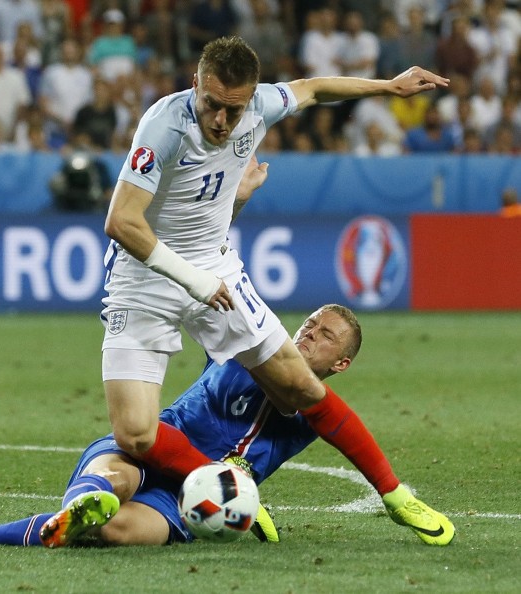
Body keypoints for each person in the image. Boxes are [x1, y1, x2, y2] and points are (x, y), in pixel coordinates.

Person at [91, 35, 454, 548]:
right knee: (135, 435)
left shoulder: (259, 103)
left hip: (215, 266)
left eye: (232, 110)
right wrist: (195, 281)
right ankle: (228, 490)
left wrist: (388, 87)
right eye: (211, 104)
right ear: (195, 83)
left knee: (301, 387)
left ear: (250, 97)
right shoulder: (164, 126)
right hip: (144, 278)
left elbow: (314, 87)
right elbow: (121, 221)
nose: (220, 119)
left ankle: (396, 496)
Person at [0, 304, 452, 547]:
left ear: (341, 365)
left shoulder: (314, 413)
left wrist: (393, 492)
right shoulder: (250, 348)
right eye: (309, 323)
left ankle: (50, 522)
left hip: (191, 505)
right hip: (153, 450)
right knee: (113, 478)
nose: (310, 332)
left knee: (115, 532)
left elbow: (334, 420)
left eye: (326, 335)